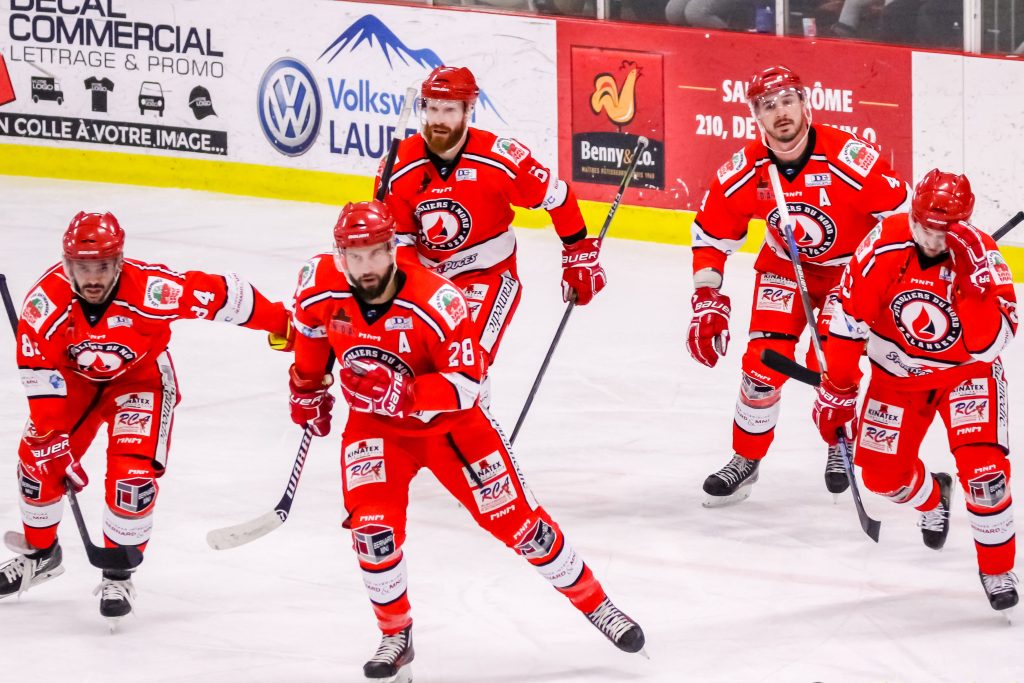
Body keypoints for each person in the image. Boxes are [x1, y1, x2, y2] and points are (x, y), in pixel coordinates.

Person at [287, 201, 644, 682]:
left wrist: (407, 393)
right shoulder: (318, 283)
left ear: (392, 249)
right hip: (376, 430)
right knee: (373, 533)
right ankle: (396, 635)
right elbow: (310, 332)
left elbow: (467, 384)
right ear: (340, 256)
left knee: (524, 528)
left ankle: (597, 604)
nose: (365, 266)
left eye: (374, 253)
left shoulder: (438, 299)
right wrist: (306, 387)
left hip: (453, 431)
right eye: (355, 256)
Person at [0, 212, 290, 623]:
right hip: (73, 383)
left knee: (132, 479)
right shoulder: (45, 303)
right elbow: (39, 378)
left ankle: (118, 573)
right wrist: (52, 442)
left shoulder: (153, 289)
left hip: (142, 381)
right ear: (68, 266)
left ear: (119, 262)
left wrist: (285, 325)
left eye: (102, 266)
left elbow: (223, 296)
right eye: (83, 268)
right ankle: (40, 554)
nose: (93, 278)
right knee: (37, 464)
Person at [686, 64, 910, 507]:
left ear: (805, 105)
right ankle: (746, 458)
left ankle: (838, 442)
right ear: (756, 116)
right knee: (760, 365)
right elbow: (711, 236)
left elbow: (902, 217)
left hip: (850, 271)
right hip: (785, 268)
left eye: (788, 101)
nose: (780, 112)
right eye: (768, 106)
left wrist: (896, 274)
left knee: (832, 364)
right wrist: (707, 296)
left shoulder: (849, 158)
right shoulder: (746, 169)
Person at [813, 170, 1018, 612]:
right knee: (882, 478)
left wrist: (971, 285)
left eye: (942, 232)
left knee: (985, 476)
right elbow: (848, 322)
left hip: (967, 377)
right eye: (924, 226)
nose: (931, 239)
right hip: (896, 378)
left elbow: (989, 345)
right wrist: (839, 388)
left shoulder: (983, 255)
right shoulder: (883, 244)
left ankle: (997, 568)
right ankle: (932, 497)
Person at [379, 66, 606, 374]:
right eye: (432, 109)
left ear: (468, 111)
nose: (438, 120)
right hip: (429, 281)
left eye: (449, 110)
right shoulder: (398, 166)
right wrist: (411, 290)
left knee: (465, 363)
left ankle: (473, 404)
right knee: (415, 366)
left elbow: (558, 197)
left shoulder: (500, 158)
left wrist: (577, 252)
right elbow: (399, 242)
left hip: (487, 274)